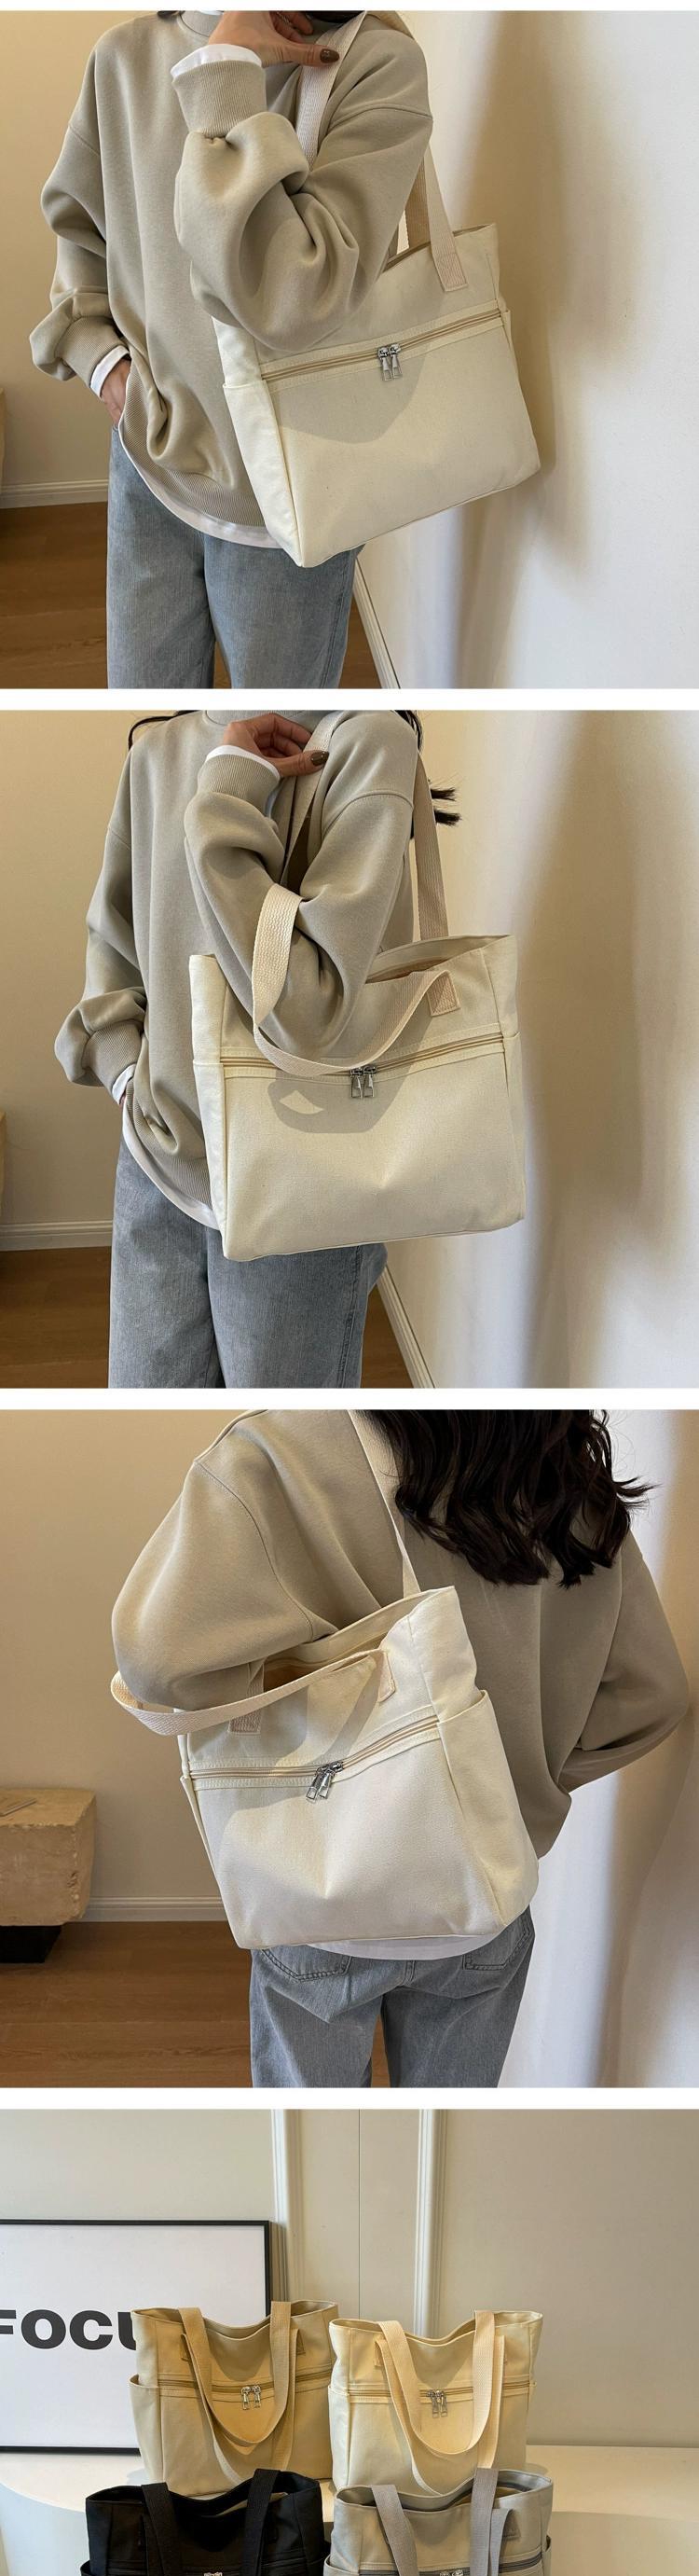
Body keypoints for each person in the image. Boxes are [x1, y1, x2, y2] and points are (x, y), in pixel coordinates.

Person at [111, 1407, 690, 2087]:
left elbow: (156, 1660)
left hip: (326, 1897)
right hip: (484, 1895)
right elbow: (653, 1695)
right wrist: (521, 1779)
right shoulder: (566, 1478)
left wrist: (303, 1690)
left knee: (319, 2134)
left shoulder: (280, 1450)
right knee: (448, 2126)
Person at [54, 707, 455, 1388]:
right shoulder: (157, 749)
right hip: (157, 1155)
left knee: (281, 1422)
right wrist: (124, 1075)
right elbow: (115, 940)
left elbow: (305, 1011)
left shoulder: (368, 745)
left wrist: (227, 794)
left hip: (303, 1182)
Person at [30, 9, 432, 686]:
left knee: (282, 726)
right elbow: (83, 227)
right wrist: (104, 365)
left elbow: (293, 299)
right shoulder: (126, 55)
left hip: (292, 500)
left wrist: (223, 80)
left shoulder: (375, 62)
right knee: (147, 705)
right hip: (147, 462)